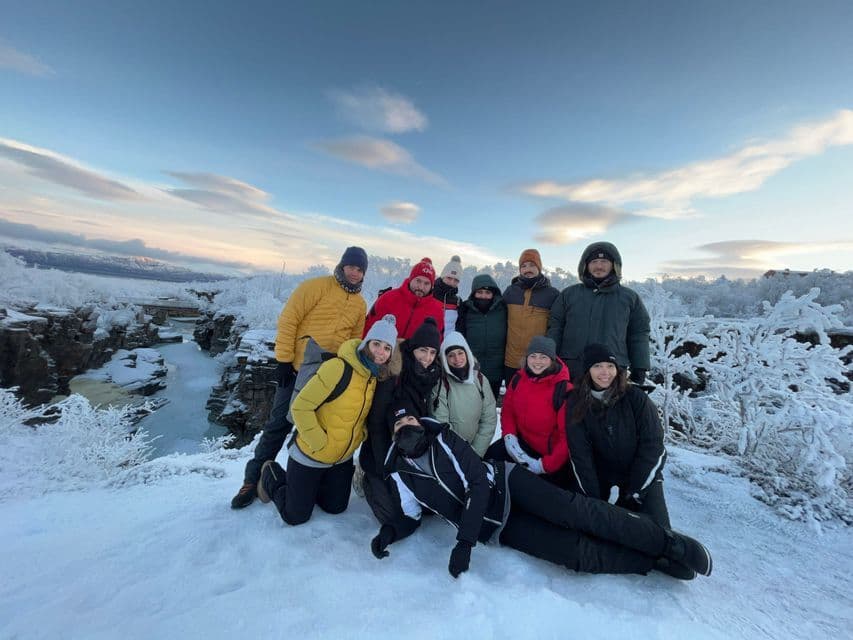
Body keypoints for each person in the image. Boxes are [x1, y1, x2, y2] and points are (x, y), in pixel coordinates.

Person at [369, 408, 712, 580]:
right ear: (395, 436)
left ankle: (670, 543)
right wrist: (389, 532)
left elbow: (476, 483)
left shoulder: (444, 440)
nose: (407, 427)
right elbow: (410, 515)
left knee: (577, 512)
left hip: (506, 485)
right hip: (496, 527)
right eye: (399, 426)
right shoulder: (402, 474)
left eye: (411, 420)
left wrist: (464, 542)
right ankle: (653, 562)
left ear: (420, 423)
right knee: (573, 554)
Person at [231, 246, 368, 509]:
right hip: (297, 370)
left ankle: (308, 481)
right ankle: (252, 478)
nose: (354, 272)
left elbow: (353, 341)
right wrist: (283, 360)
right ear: (342, 266)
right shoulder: (315, 286)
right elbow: (289, 320)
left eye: (360, 269)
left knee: (317, 426)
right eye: (351, 266)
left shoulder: (360, 304)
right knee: (280, 422)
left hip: (330, 377)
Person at [256, 315, 398, 525]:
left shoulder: (374, 377)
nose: (380, 352)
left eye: (387, 348)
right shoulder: (338, 368)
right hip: (311, 453)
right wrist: (318, 442)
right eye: (376, 343)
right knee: (295, 516)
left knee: (336, 508)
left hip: (340, 459)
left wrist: (360, 436)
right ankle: (270, 473)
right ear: (366, 343)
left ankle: (312, 486)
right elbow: (300, 407)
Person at [566, 343, 670, 527]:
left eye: (610, 366)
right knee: (588, 522)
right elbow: (580, 454)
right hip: (601, 471)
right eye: (597, 366)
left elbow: (653, 447)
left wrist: (634, 493)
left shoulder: (636, 398)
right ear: (587, 371)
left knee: (656, 530)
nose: (605, 372)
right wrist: (593, 498)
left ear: (617, 369)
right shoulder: (577, 403)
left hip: (638, 471)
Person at [357, 317, 443, 527]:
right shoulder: (395, 375)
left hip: (408, 450)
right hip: (382, 453)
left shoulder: (431, 376)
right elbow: (377, 426)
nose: (427, 357)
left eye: (432, 352)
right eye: (423, 350)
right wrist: (384, 469)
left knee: (428, 510)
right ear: (412, 348)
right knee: (393, 516)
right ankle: (366, 479)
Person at [547, 241, 651, 384]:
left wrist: (640, 366)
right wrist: (550, 359)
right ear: (586, 265)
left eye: (604, 261)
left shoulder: (629, 298)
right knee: (572, 406)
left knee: (610, 406)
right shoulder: (569, 294)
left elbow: (639, 332)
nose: (599, 266)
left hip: (611, 370)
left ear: (614, 265)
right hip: (572, 368)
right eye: (594, 261)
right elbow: (555, 327)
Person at [485, 336, 572, 487]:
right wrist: (509, 436)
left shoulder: (563, 390)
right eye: (533, 356)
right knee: (488, 461)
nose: (537, 361)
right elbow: (509, 410)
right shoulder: (518, 378)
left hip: (548, 457)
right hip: (521, 445)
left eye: (543, 357)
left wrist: (545, 465)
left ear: (552, 360)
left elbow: (567, 438)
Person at [431, 331, 497, 457]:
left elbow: (489, 420)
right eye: (451, 355)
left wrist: (475, 452)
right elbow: (441, 423)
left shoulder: (480, 380)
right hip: (449, 452)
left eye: (460, 353)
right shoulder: (441, 384)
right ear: (445, 359)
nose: (457, 359)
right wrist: (459, 455)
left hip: (476, 451)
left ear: (467, 353)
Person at [503, 248, 559, 384]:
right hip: (511, 360)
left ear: (539, 268)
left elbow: (556, 326)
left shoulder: (552, 294)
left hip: (538, 362)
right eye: (524, 266)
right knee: (513, 398)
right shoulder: (510, 292)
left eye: (532, 265)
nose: (527, 269)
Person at [363, 257, 445, 340]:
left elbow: (437, 342)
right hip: (382, 352)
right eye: (418, 281)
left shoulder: (437, 311)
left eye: (426, 283)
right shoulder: (388, 298)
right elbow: (368, 328)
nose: (421, 287)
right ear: (410, 279)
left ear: (432, 286)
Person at [457, 274, 507, 399]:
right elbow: (460, 335)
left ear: (493, 294)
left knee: (490, 406)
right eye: (479, 292)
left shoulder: (503, 309)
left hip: (496, 370)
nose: (483, 296)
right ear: (473, 293)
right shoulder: (465, 309)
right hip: (471, 369)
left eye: (487, 292)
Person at [433, 255, 463, 333]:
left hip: (447, 343)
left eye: (456, 280)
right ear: (443, 276)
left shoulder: (458, 302)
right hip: (427, 342)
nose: (451, 282)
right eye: (449, 278)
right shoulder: (430, 294)